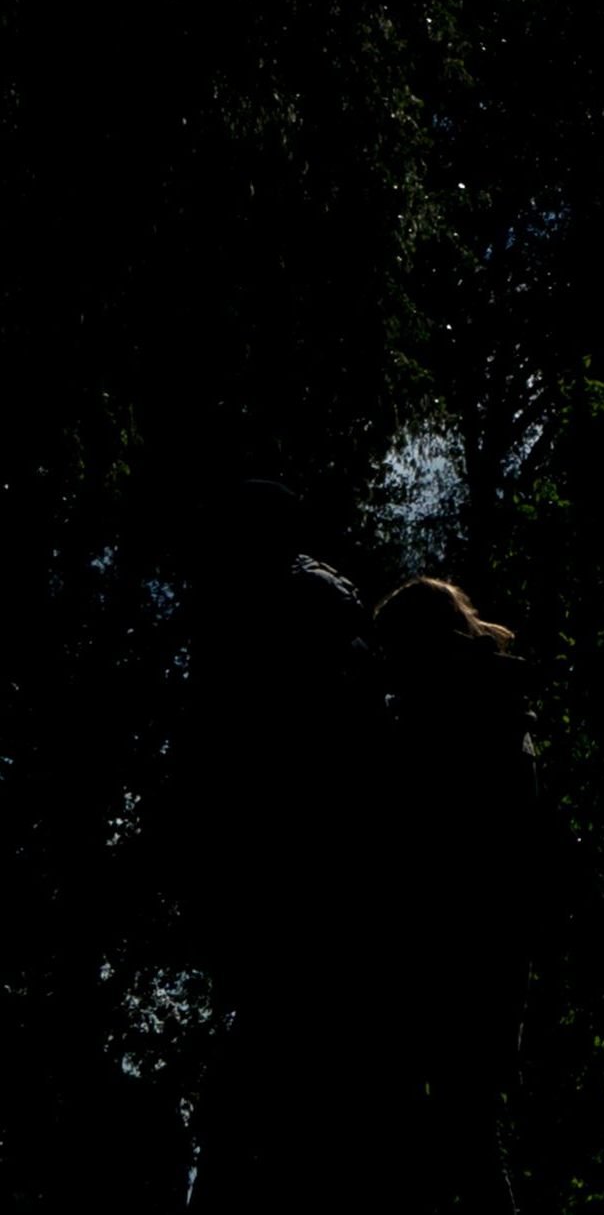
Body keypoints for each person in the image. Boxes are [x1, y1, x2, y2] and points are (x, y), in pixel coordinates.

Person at [186, 481, 387, 1209]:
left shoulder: (290, 609)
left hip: (300, 890)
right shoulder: (314, 603)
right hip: (308, 890)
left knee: (261, 1104)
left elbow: (269, 756)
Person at [367, 576, 541, 1215]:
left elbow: (420, 838)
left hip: (450, 951)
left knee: (451, 1138)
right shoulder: (497, 706)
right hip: (491, 952)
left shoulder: (445, 713)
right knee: (466, 1136)